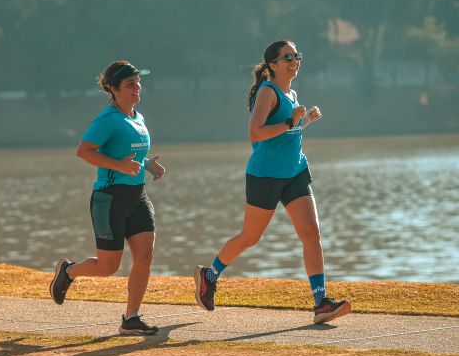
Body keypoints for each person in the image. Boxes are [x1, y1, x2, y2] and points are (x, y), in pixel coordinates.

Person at [194, 40, 351, 324]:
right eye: (288, 57)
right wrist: (292, 121)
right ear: (273, 65)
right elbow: (256, 133)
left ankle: (321, 303)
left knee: (311, 234)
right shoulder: (268, 91)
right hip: (265, 175)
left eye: (297, 56)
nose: (294, 61)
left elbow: (285, 135)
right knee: (250, 238)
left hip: (295, 172)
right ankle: (210, 275)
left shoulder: (291, 92)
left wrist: (304, 122)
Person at [49, 61, 165, 335]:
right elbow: (85, 151)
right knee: (108, 266)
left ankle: (131, 318)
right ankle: (68, 272)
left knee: (145, 255)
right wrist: (120, 166)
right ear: (113, 90)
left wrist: (147, 163)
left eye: (138, 82)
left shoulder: (138, 117)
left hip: (137, 196)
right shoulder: (107, 119)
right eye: (129, 84)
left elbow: (129, 153)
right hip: (109, 199)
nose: (137, 88)